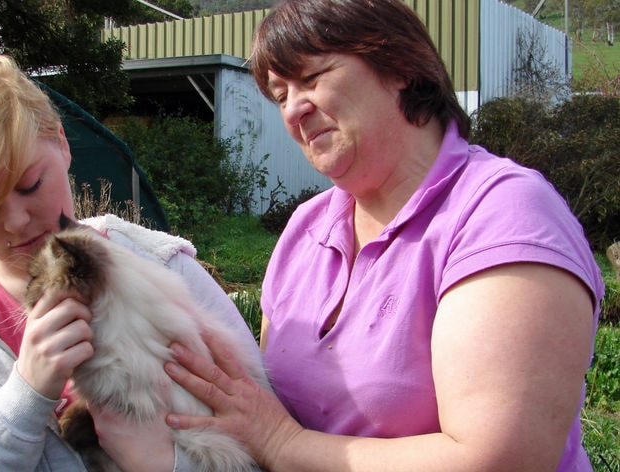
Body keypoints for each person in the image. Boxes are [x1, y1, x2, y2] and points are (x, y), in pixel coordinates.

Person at [162, 1, 605, 471]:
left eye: (312, 77)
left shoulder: (501, 213)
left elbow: (499, 460)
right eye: (280, 93)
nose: (293, 109)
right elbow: (266, 398)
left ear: (400, 68)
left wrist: (280, 441)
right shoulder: (306, 229)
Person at [0, 55, 261, 471]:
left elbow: (266, 445)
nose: (16, 222)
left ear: (62, 143)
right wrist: (24, 397)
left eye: (30, 184)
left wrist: (162, 462)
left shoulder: (169, 267)